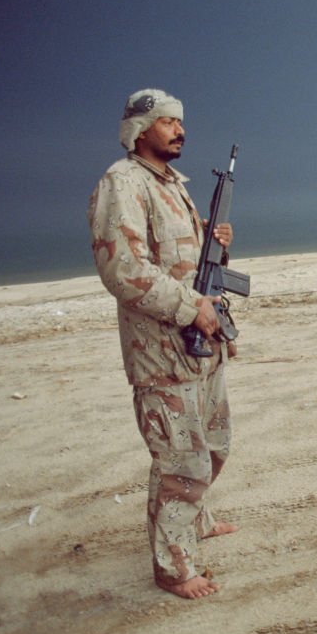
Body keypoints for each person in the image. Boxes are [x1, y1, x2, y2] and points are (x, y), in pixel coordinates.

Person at [87, 89, 238, 600]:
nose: (179, 129)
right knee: (180, 462)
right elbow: (123, 268)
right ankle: (173, 568)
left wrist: (210, 238)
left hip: (201, 345)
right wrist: (189, 306)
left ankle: (194, 520)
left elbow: (178, 258)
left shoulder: (174, 185)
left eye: (180, 122)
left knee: (214, 446)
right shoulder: (122, 182)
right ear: (139, 129)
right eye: (167, 122)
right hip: (161, 352)